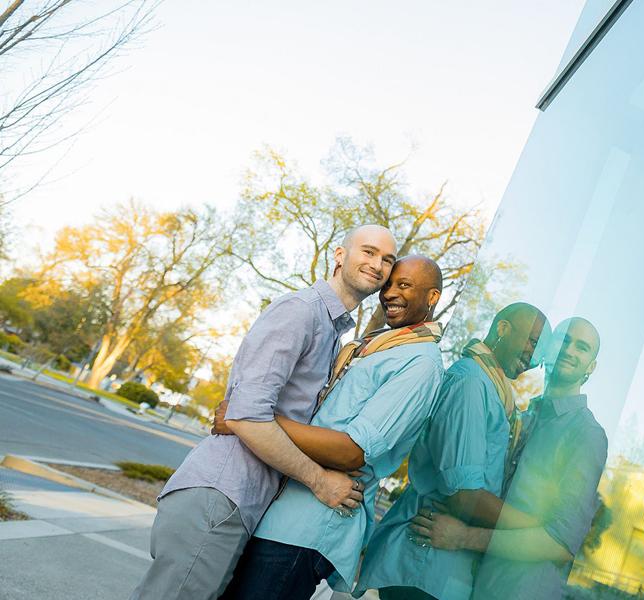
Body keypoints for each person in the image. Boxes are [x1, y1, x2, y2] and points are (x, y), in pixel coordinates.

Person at [130, 224, 397, 600]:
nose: (378, 264)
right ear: (339, 255)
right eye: (368, 252)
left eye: (387, 259)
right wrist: (320, 481)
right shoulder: (300, 311)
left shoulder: (331, 330)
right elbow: (246, 415)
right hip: (220, 496)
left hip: (242, 505)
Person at [219, 255, 447, 600]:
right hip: (281, 511)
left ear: (432, 297)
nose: (390, 294)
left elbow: (352, 451)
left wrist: (252, 418)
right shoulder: (378, 346)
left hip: (309, 525)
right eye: (388, 285)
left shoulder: (421, 364)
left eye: (405, 285)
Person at [354, 303, 549, 600]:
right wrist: (538, 529)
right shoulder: (471, 383)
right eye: (533, 341)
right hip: (423, 565)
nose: (535, 357)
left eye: (541, 350)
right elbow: (463, 496)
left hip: (442, 570)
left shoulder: (496, 392)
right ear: (503, 328)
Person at [411, 317, 608, 600]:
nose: (569, 350)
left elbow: (561, 543)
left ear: (591, 367)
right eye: (563, 340)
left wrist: (464, 537)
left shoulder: (586, 434)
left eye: (582, 348)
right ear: (547, 349)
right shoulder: (524, 415)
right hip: (472, 584)